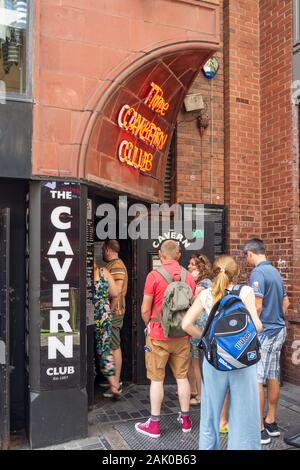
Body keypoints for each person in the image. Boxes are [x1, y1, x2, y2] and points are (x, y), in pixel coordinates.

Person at [182, 255, 263, 450]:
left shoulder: (206, 294)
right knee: (244, 414)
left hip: (214, 361)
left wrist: (207, 338)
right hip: (242, 361)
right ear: (236, 273)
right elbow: (257, 327)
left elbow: (186, 324)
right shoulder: (245, 292)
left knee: (210, 413)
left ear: (214, 272)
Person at [135, 240, 196, 438]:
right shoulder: (189, 277)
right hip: (182, 335)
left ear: (160, 255)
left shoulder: (154, 276)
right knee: (182, 377)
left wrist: (149, 324)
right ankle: (186, 420)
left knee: (156, 380)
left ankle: (154, 425)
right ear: (179, 255)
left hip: (158, 335)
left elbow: (145, 308)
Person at [243, 239, 289, 445]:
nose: (247, 260)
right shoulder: (275, 272)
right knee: (273, 375)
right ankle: (271, 421)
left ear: (250, 254)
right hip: (279, 329)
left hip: (266, 332)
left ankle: (259, 428)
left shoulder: (258, 273)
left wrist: (252, 327)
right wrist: (278, 316)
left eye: (246, 257)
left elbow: (258, 305)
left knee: (257, 378)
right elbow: (285, 302)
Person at [102, 240, 128, 397]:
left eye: (103, 250)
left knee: (114, 346)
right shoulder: (115, 264)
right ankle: (112, 379)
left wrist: (109, 312)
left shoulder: (116, 265)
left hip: (115, 312)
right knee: (112, 345)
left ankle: (116, 383)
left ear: (107, 249)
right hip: (115, 311)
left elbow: (116, 292)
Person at [187, 254, 212, 405]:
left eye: (192, 265)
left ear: (200, 268)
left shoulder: (202, 285)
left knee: (196, 363)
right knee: (195, 361)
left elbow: (191, 301)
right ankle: (195, 391)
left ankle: (200, 396)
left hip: (197, 327)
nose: (189, 267)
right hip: (202, 327)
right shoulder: (208, 282)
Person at [93, 262, 121, 398]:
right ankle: (113, 384)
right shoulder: (103, 271)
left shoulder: (84, 273)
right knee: (105, 348)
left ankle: (108, 383)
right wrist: (110, 309)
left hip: (89, 312)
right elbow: (115, 294)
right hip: (104, 312)